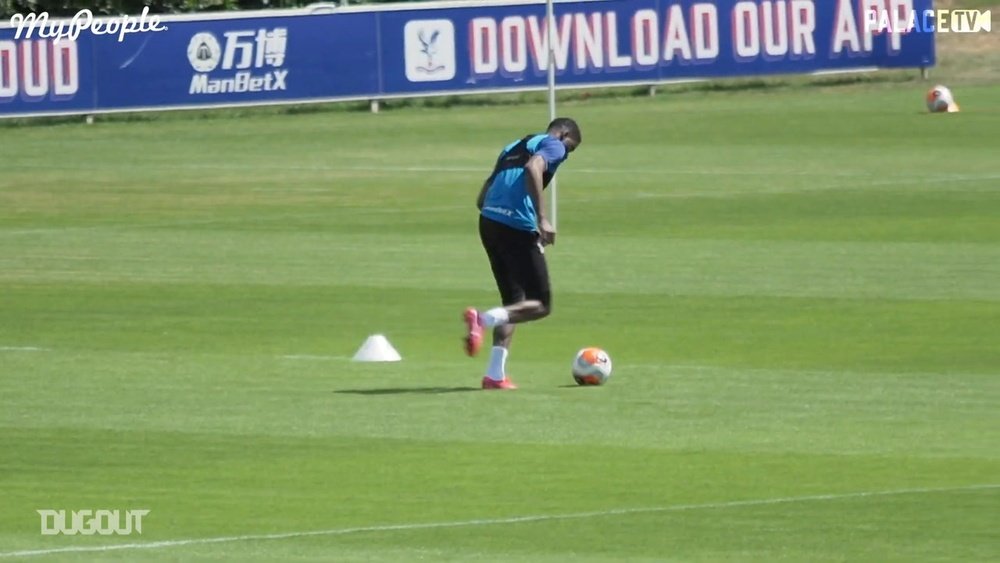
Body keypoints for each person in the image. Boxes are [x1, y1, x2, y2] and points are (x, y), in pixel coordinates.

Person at [462, 117, 582, 390]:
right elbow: (533, 168)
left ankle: (494, 375)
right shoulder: (554, 145)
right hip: (516, 225)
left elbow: (483, 194)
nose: (566, 156)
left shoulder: (513, 145)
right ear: (564, 134)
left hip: (489, 222)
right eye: (571, 149)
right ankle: (482, 319)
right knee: (540, 304)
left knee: (513, 303)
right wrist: (541, 219)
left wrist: (498, 211)